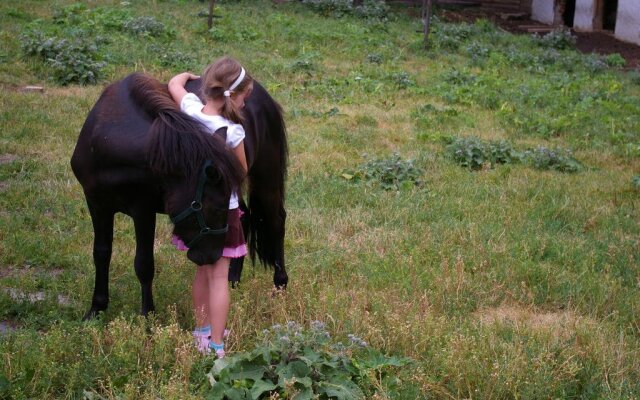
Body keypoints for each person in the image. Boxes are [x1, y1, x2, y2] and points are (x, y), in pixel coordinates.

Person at [168, 56, 253, 358]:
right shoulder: (232, 132)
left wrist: (184, 75)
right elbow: (241, 171)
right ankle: (217, 346)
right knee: (219, 277)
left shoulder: (191, 110)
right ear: (235, 95)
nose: (244, 103)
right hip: (221, 213)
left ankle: (201, 332)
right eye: (245, 96)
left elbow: (174, 85)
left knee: (202, 270)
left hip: (195, 210)